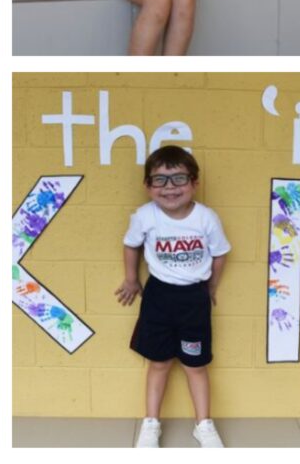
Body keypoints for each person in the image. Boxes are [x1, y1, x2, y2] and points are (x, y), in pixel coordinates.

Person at [115, 146, 229, 448]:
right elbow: (131, 246)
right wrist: (131, 279)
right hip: (158, 297)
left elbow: (219, 255)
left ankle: (204, 425)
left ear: (195, 182)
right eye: (160, 180)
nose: (170, 188)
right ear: (147, 186)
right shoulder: (144, 216)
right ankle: (151, 424)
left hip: (194, 298)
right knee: (159, 363)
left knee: (196, 365)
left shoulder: (206, 218)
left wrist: (211, 288)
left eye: (179, 179)